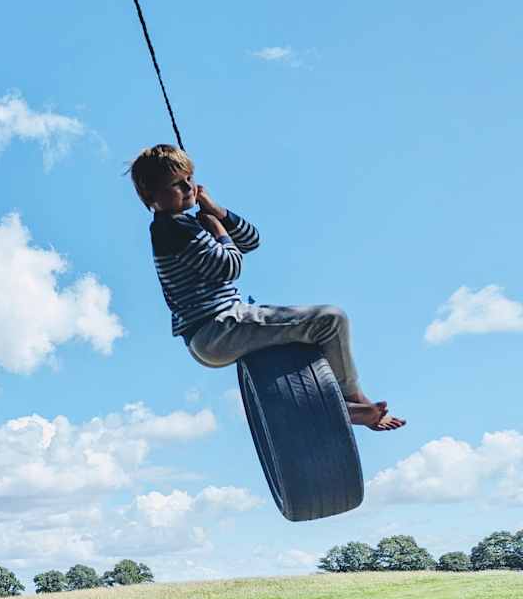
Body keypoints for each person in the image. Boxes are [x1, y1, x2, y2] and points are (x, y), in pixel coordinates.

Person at [129, 144, 404, 431]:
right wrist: (218, 230)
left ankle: (335, 400)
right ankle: (349, 401)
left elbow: (250, 241)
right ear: (151, 196)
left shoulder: (186, 224)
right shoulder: (172, 229)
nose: (188, 187)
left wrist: (218, 213)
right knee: (331, 320)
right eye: (177, 184)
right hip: (218, 328)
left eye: (190, 179)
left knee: (313, 327)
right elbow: (229, 267)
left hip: (212, 333)